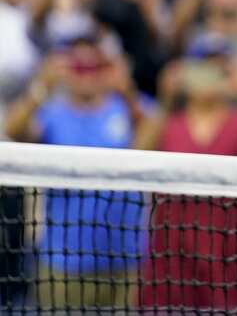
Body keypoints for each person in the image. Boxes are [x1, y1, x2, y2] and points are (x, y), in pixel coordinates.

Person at [134, 33, 237, 311]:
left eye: (220, 68)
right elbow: (134, 155)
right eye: (203, 67)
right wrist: (164, 99)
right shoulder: (169, 122)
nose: (210, 77)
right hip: (175, 246)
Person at [3, 17, 147, 310]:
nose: (86, 74)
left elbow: (153, 139)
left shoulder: (127, 107)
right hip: (62, 260)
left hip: (122, 256)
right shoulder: (52, 112)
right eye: (77, 65)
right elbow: (13, 130)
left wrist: (126, 88)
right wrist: (41, 86)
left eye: (94, 65)